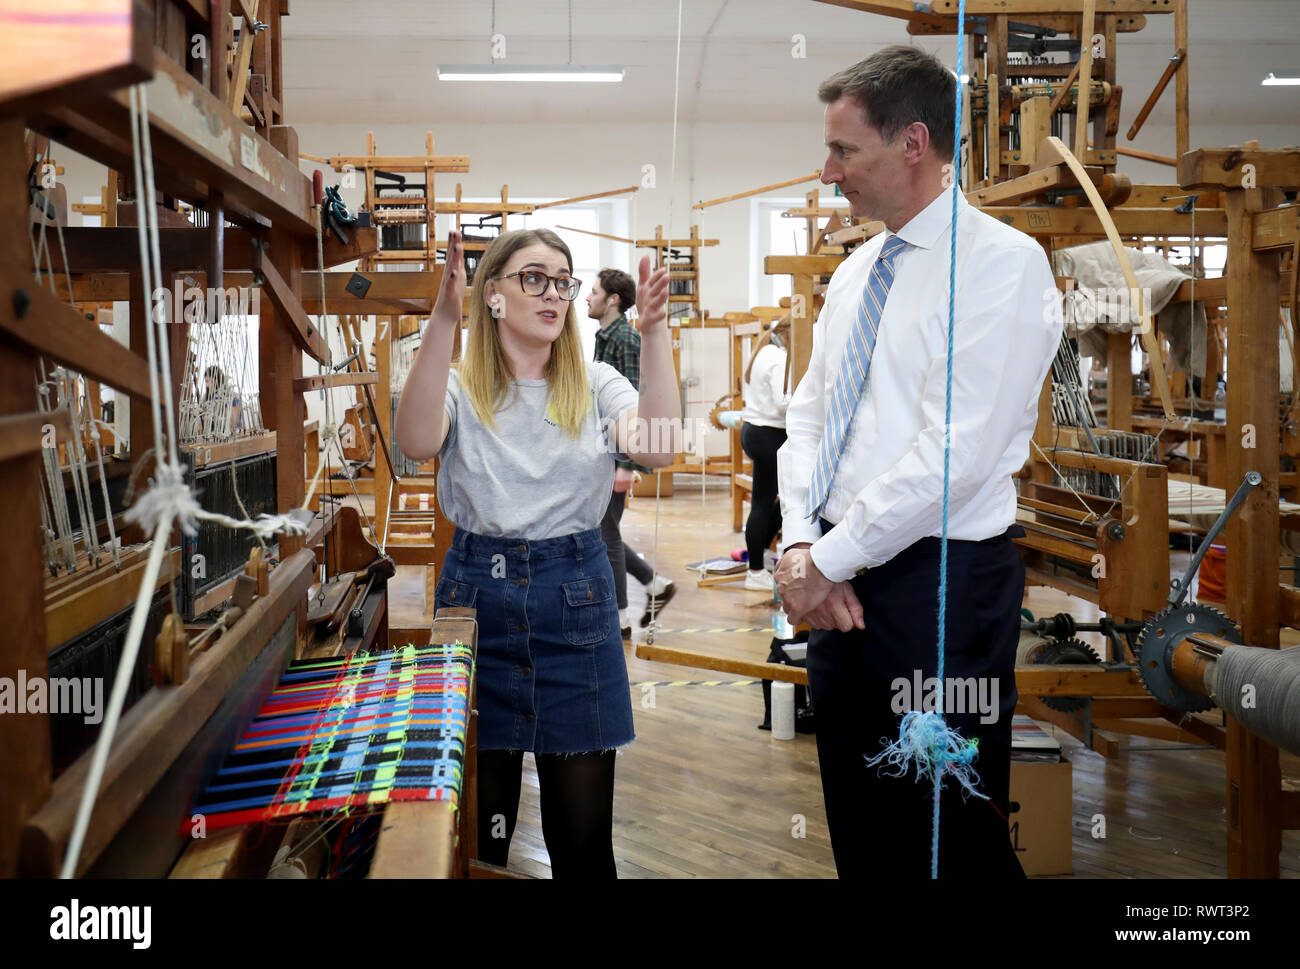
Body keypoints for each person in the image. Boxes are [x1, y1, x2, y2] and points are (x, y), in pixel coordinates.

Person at [773, 46, 1061, 878]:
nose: (828, 173)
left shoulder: (1003, 266)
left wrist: (824, 559)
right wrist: (800, 546)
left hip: (940, 588)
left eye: (843, 151)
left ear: (914, 143)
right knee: (860, 815)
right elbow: (810, 418)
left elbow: (957, 453)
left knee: (949, 827)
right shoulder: (860, 271)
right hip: (836, 581)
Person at [395, 227, 680, 878]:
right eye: (533, 278)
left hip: (574, 599)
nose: (553, 292)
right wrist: (443, 320)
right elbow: (414, 439)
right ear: (490, 294)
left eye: (563, 280)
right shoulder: (463, 386)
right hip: (476, 608)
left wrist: (657, 334)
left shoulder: (597, 383)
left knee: (581, 847)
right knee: (475, 838)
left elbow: (659, 445)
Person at [587, 268, 677, 634]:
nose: (587, 297)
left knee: (606, 536)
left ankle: (621, 616)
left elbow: (632, 404)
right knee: (604, 530)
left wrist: (625, 465)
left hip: (617, 458)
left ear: (613, 300)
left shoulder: (624, 338)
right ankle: (655, 584)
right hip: (605, 453)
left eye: (593, 291)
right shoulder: (605, 336)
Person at [739, 316, 792, 592]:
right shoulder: (779, 357)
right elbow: (783, 403)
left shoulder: (763, 352)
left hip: (754, 431)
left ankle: (758, 559)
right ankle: (756, 570)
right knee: (770, 503)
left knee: (772, 501)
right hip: (769, 435)